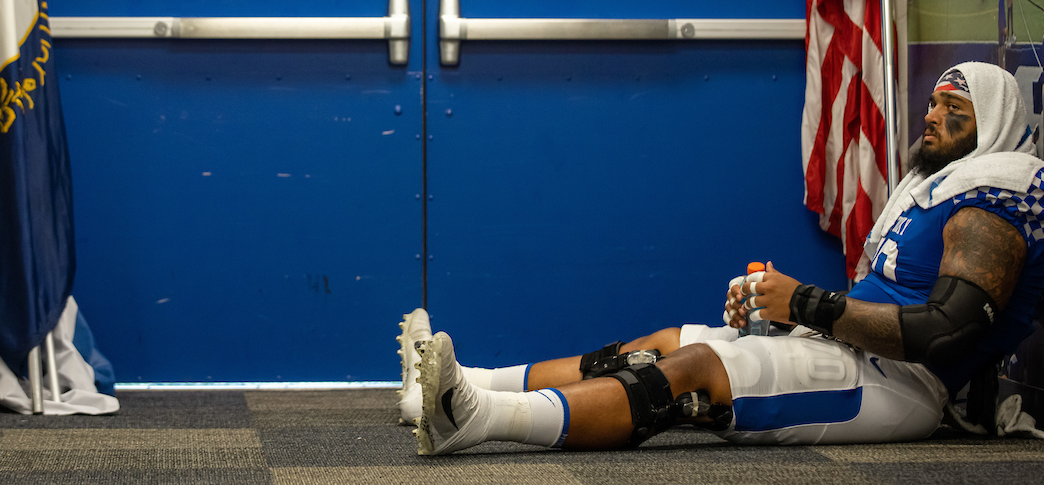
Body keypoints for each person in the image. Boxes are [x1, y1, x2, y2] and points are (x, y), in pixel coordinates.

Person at [397, 62, 1044, 454]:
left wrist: (809, 304)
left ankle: (477, 419)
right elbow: (887, 302)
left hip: (905, 386)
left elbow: (946, 331)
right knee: (663, 340)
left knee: (696, 368)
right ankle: (462, 382)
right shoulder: (942, 185)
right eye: (932, 103)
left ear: (993, 125)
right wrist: (786, 307)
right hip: (863, 352)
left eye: (953, 110)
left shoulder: (993, 201)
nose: (931, 117)